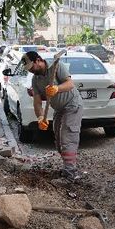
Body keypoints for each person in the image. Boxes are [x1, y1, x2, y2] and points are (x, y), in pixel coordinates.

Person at [22, 51, 84, 181]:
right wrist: (40, 117)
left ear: (38, 60)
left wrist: (57, 88)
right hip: (59, 109)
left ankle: (70, 173)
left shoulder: (57, 66)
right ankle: (67, 165)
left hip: (72, 105)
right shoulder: (36, 79)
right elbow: (37, 101)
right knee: (59, 140)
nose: (31, 71)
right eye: (29, 70)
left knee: (68, 137)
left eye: (32, 67)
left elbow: (70, 84)